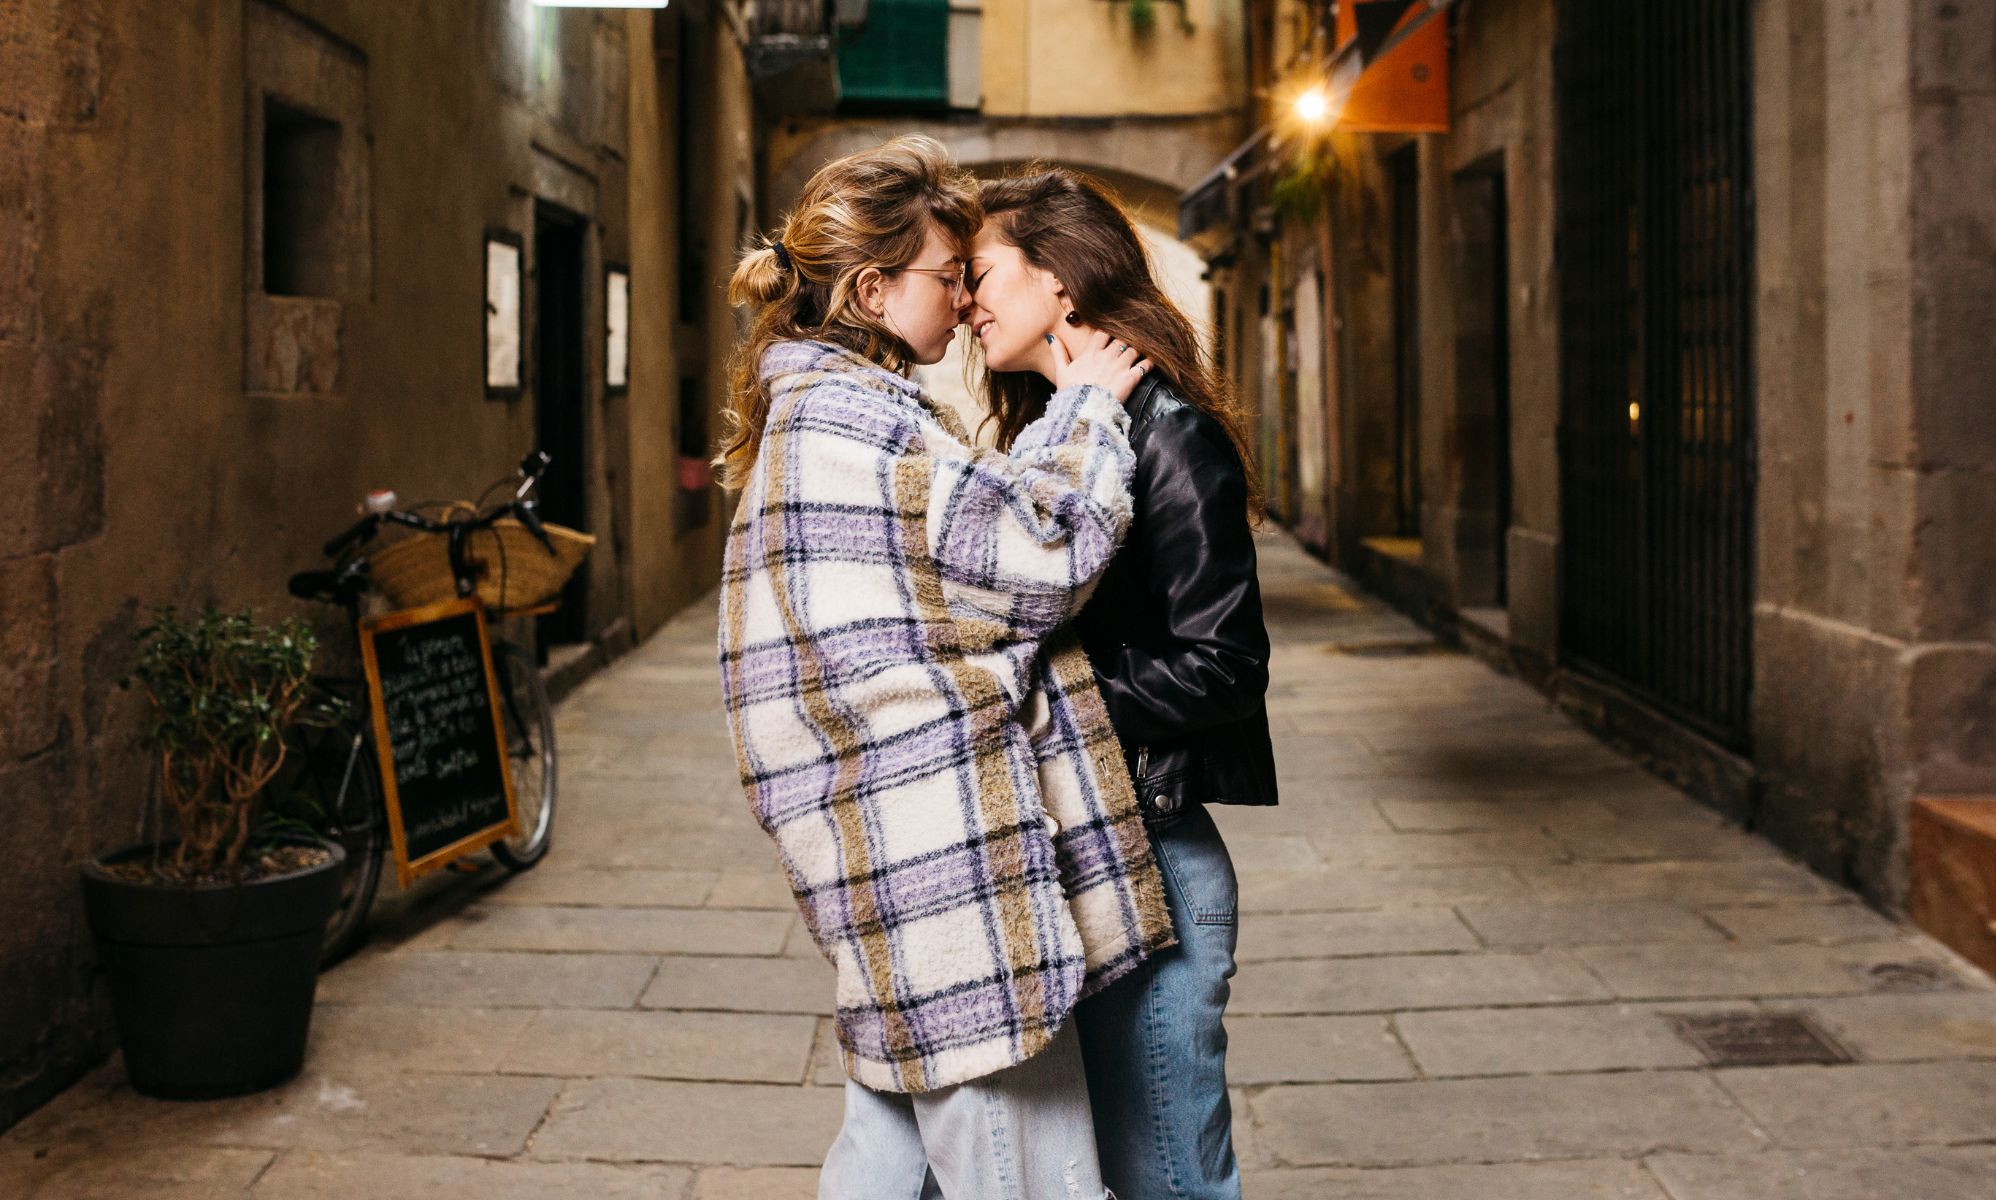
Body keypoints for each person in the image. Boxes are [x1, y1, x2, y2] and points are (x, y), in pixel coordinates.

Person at [714, 134, 1175, 1200]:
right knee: (1032, 1173)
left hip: (894, 847)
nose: (964, 294)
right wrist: (1090, 414)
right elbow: (1037, 560)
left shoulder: (825, 412)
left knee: (884, 1152)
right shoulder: (856, 422)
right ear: (873, 290)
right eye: (946, 274)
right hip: (948, 863)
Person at [967, 165, 1278, 1200]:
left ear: (1059, 283)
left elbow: (1225, 663)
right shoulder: (1055, 431)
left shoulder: (1169, 435)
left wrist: (1047, 696)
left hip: (1153, 860)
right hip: (1086, 851)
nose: (969, 301)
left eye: (984, 274)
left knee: (1172, 1181)